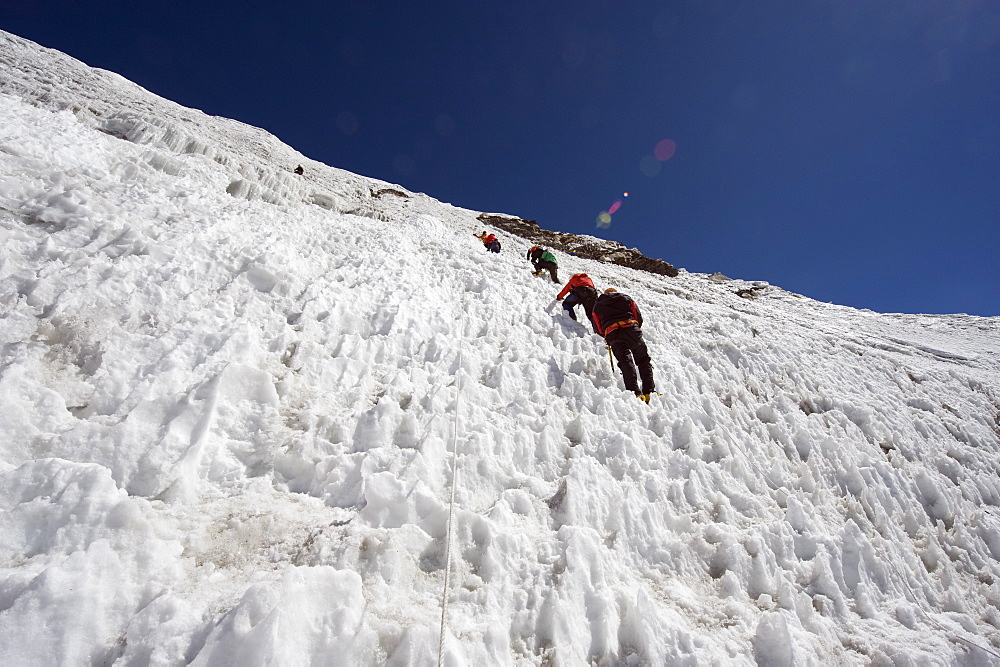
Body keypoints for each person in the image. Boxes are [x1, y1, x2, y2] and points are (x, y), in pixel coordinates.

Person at [592, 288, 655, 402]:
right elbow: (637, 315)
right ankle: (649, 391)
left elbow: (597, 326)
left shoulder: (598, 304)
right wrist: (635, 327)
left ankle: (635, 393)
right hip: (631, 328)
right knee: (643, 360)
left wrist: (606, 335)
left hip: (613, 333)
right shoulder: (626, 298)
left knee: (625, 362)